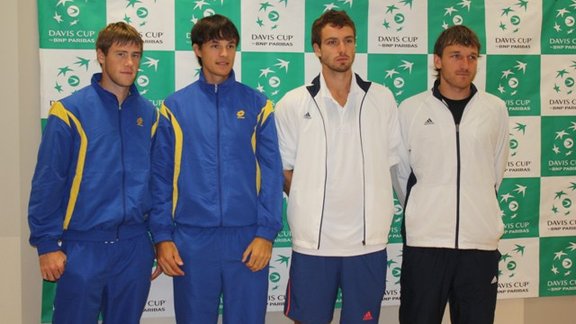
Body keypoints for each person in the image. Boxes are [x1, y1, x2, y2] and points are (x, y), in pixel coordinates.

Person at [150, 14, 283, 324]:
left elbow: (272, 175)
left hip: (247, 240)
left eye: (230, 45)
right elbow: (161, 178)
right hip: (192, 241)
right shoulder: (175, 107)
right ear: (198, 50)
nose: (224, 54)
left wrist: (265, 234)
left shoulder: (258, 105)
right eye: (214, 46)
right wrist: (162, 237)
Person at [275, 10, 402, 324]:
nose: (341, 49)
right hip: (314, 244)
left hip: (367, 243)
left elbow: (388, 164)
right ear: (317, 49)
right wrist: (308, 198)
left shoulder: (382, 99)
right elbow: (284, 170)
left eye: (348, 41)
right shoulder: (293, 103)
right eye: (332, 42)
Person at [28, 22, 158, 324]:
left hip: (134, 246)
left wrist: (160, 238)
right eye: (121, 54)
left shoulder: (149, 115)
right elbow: (49, 181)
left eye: (136, 55)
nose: (129, 63)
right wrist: (47, 245)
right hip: (82, 247)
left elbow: (159, 184)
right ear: (100, 56)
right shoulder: (70, 112)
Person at [395, 25, 509, 324]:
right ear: (437, 60)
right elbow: (402, 176)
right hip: (426, 245)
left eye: (472, 57)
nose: (465, 64)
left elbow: (495, 171)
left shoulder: (495, 109)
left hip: (479, 246)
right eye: (456, 56)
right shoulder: (411, 109)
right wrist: (427, 207)